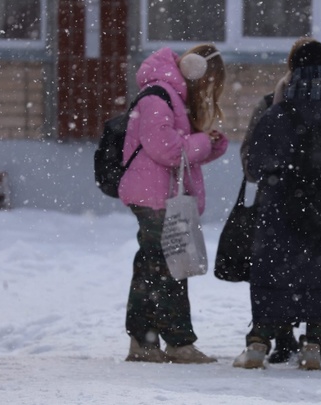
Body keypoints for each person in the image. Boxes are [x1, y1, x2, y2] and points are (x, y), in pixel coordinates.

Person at [234, 40, 321, 370]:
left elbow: (254, 163)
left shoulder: (274, 113)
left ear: (292, 71)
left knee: (276, 273)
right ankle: (313, 344)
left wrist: (282, 181)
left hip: (281, 206)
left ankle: (259, 341)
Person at [118, 44, 229, 363]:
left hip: (163, 194)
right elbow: (166, 150)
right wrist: (199, 142)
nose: (207, 91)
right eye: (209, 83)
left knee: (159, 266)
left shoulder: (170, 96)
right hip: (153, 196)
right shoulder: (157, 96)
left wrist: (210, 145)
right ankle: (173, 342)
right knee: (166, 268)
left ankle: (147, 341)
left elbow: (178, 151)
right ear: (196, 71)